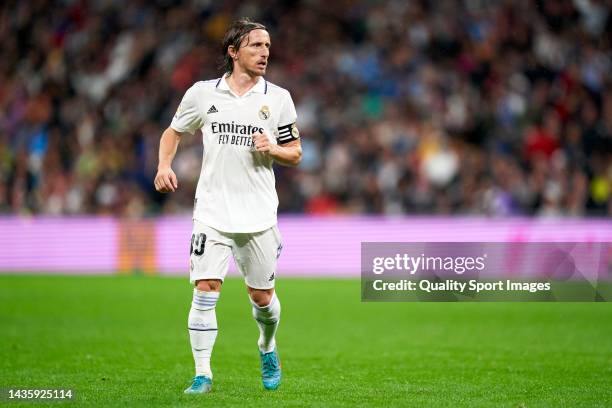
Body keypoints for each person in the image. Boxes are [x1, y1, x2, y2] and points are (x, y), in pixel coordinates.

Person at [154, 18, 302, 394]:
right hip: (212, 212)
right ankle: (202, 374)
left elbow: (296, 153)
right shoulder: (203, 94)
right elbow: (173, 131)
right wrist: (164, 165)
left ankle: (267, 346)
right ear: (233, 52)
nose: (265, 52)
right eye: (255, 45)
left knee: (262, 298)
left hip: (258, 214)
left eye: (267, 46)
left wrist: (275, 149)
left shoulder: (278, 98)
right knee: (205, 289)